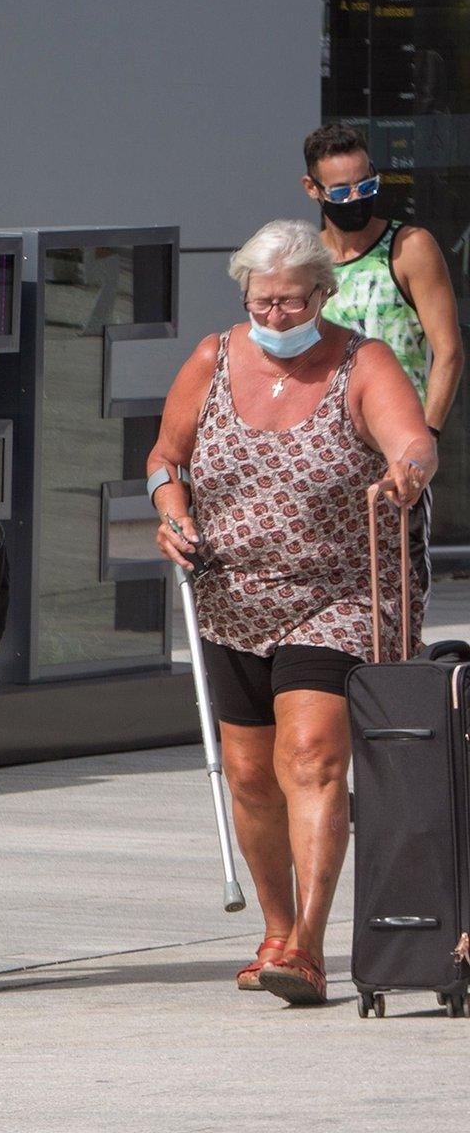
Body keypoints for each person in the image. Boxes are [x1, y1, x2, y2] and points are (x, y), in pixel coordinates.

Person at [148, 219, 433, 1006]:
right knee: (249, 775)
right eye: (261, 302)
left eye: (289, 303)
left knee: (309, 756)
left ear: (322, 293)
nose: (273, 317)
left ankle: (308, 942)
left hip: (339, 594)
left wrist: (405, 472)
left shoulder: (360, 363)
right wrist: (171, 512)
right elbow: (164, 458)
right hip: (230, 597)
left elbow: (412, 441)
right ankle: (274, 929)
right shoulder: (212, 358)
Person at [306, 124, 463, 437]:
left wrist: (427, 435)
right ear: (313, 189)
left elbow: (449, 352)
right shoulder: (306, 258)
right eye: (340, 191)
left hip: (397, 440)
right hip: (323, 446)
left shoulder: (409, 247)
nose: (355, 198)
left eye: (365, 187)